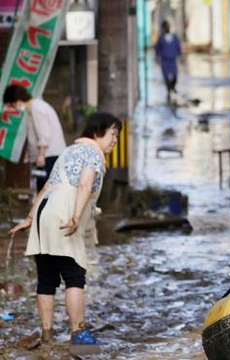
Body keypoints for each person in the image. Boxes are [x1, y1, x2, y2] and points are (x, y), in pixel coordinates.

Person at [9, 112, 121, 353]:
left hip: (44, 212)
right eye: (113, 134)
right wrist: (76, 216)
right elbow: (85, 184)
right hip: (64, 212)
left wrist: (30, 218)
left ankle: (47, 335)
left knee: (46, 279)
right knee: (74, 277)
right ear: (97, 132)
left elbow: (48, 186)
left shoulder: (68, 151)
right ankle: (78, 333)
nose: (115, 140)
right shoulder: (93, 153)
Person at [3, 85, 66, 191]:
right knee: (45, 190)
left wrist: (41, 154)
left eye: (12, 105)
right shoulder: (35, 108)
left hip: (49, 156)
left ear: (17, 101)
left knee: (45, 192)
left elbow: (44, 134)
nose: (14, 108)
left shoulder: (37, 109)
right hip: (48, 155)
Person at [155, 20, 182, 101]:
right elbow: (157, 48)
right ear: (163, 28)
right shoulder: (161, 38)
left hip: (173, 60)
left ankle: (173, 87)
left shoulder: (174, 37)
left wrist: (180, 56)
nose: (167, 28)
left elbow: (178, 47)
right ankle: (169, 91)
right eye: (165, 26)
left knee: (175, 75)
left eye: (168, 26)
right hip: (165, 60)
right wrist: (157, 57)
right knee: (166, 77)